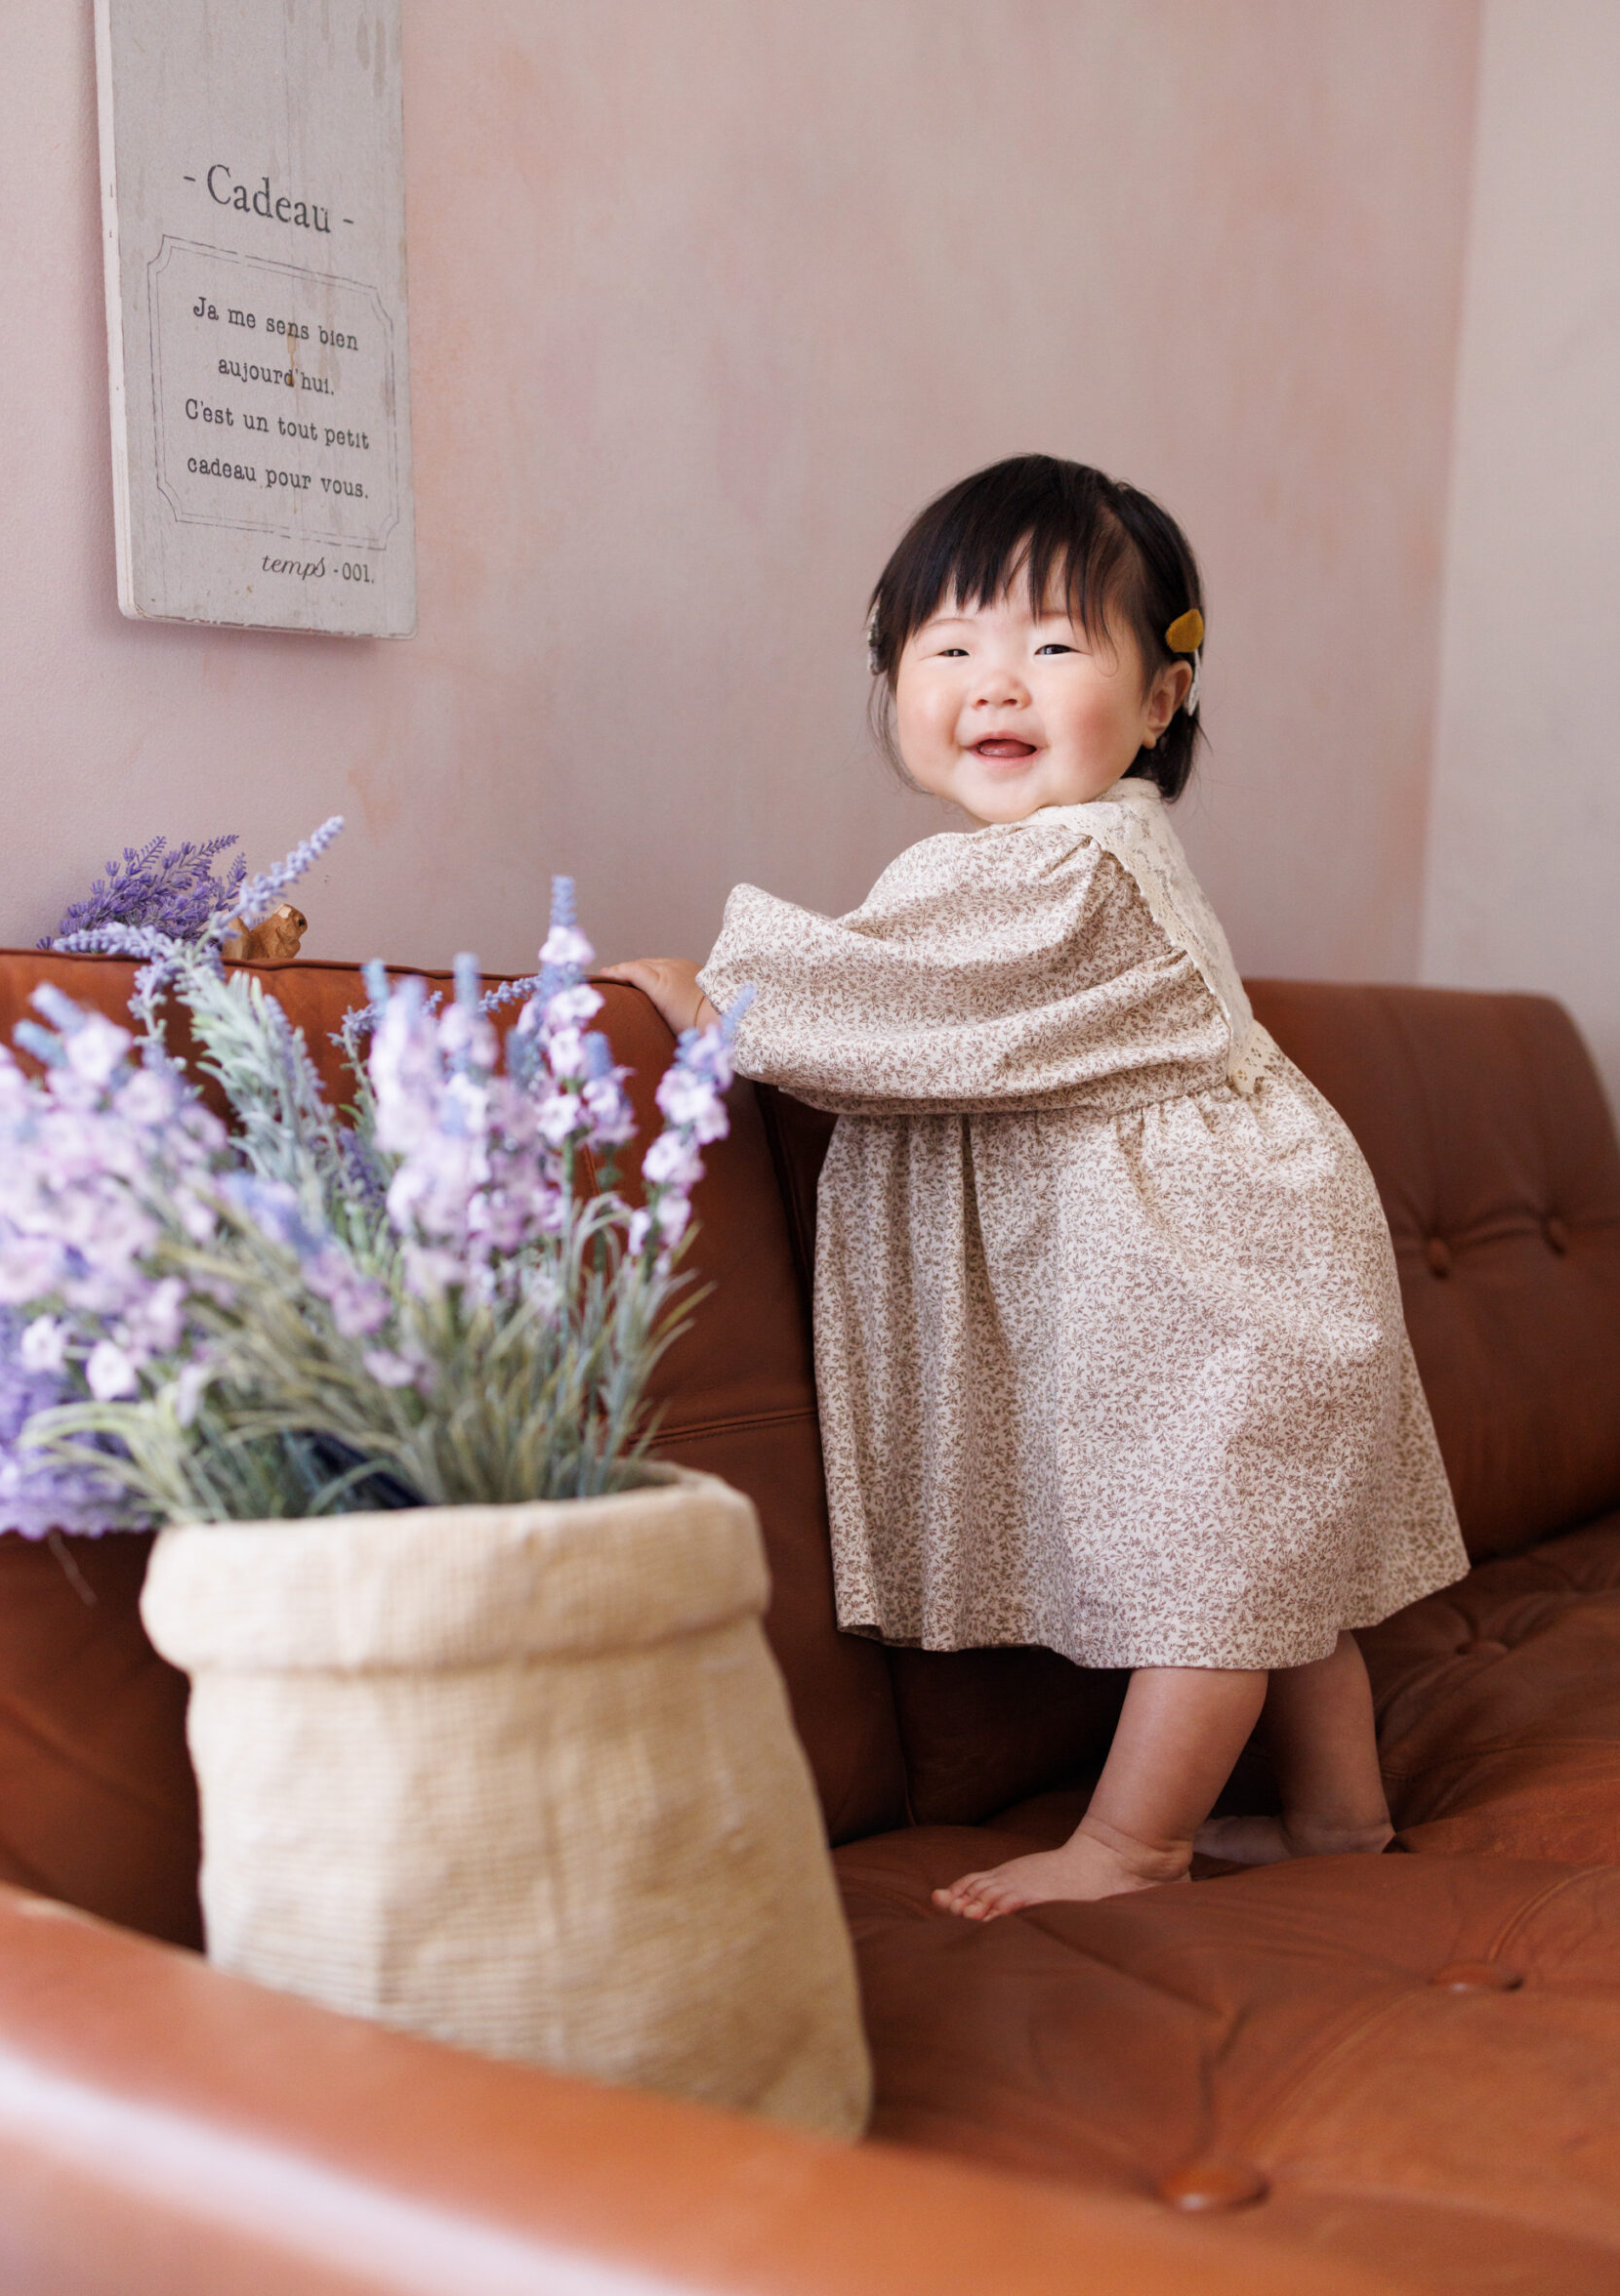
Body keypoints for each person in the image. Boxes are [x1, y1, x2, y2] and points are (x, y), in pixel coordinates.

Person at [603, 454, 1468, 1917]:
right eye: (948, 648)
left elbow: (918, 1004)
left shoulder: (1077, 864)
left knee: (1216, 1577)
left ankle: (1131, 1846)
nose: (996, 683)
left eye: (1056, 646)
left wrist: (725, 999)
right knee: (1269, 1563)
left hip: (1225, 1277)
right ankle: (1339, 1820)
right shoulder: (1061, 856)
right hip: (1252, 1260)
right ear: (891, 679)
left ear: (1161, 699)